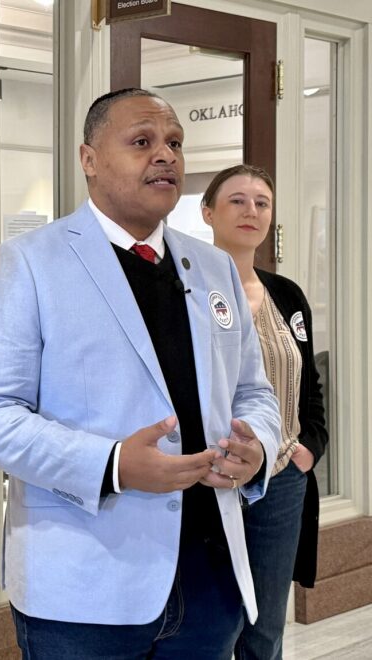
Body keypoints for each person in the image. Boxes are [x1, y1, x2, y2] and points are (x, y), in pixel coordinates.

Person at [0, 88, 282, 659]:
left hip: (209, 578)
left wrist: (258, 445)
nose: (166, 156)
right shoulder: (32, 262)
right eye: (142, 142)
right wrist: (110, 465)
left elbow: (254, 391)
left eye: (175, 143)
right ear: (89, 159)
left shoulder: (212, 267)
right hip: (84, 589)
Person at [202, 164, 328, 660]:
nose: (251, 210)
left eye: (262, 202)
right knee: (213, 625)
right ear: (208, 212)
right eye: (237, 200)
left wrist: (308, 450)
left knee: (266, 628)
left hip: (282, 481)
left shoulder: (287, 295)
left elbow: (308, 385)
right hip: (211, 479)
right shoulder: (184, 292)